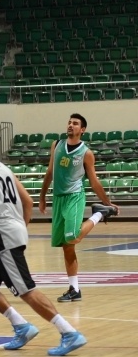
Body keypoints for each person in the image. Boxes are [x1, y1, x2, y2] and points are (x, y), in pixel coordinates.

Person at [0, 129, 88, 357]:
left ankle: (68, 332)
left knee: (26, 290)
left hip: (2, 238)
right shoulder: (3, 168)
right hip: (7, 236)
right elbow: (27, 201)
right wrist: (20, 227)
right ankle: (21, 326)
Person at [38, 114, 118, 302]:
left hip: (74, 197)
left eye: (75, 123)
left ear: (82, 130)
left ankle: (99, 214)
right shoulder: (57, 145)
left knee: (73, 237)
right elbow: (50, 172)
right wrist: (42, 197)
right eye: (69, 122)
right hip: (58, 198)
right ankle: (74, 289)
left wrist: (107, 202)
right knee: (67, 247)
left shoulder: (86, 153)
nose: (70, 125)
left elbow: (94, 181)